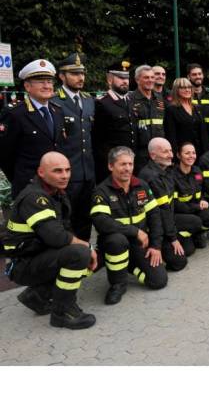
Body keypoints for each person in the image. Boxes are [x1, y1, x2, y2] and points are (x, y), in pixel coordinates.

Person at [3, 152, 96, 329]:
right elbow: (57, 237)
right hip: (23, 264)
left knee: (88, 256)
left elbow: (65, 230)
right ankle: (63, 313)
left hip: (37, 255)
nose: (65, 175)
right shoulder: (34, 198)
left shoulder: (56, 192)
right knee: (79, 254)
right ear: (41, 172)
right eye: (58, 171)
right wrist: (88, 246)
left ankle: (37, 296)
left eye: (67, 170)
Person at [90, 146, 168, 306]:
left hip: (138, 244)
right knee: (117, 240)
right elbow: (101, 221)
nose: (127, 169)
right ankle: (118, 284)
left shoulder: (142, 186)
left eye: (130, 164)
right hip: (115, 243)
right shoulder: (101, 191)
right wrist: (135, 231)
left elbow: (155, 216)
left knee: (158, 281)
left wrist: (156, 245)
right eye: (122, 164)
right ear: (111, 166)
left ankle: (130, 266)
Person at [0, 59, 66, 198]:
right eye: (41, 82)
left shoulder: (58, 112)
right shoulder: (15, 114)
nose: (47, 86)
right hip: (29, 188)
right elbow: (5, 155)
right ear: (27, 86)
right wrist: (22, 179)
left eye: (49, 82)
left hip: (56, 187)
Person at [47, 53, 96, 242]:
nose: (81, 78)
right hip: (67, 174)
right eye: (74, 73)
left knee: (85, 218)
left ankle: (83, 254)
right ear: (62, 76)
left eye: (82, 73)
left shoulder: (89, 100)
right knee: (66, 218)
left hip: (88, 173)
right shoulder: (54, 101)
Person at [138, 138, 190, 270]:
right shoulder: (152, 177)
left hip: (166, 222)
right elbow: (163, 210)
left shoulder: (165, 169)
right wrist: (172, 238)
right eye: (165, 152)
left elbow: (170, 205)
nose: (171, 155)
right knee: (179, 262)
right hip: (154, 228)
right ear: (153, 155)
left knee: (195, 224)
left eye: (171, 150)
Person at [93, 61, 138, 182]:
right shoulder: (102, 103)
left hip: (129, 162)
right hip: (112, 166)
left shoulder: (130, 101)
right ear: (109, 80)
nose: (124, 81)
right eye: (120, 78)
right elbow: (98, 140)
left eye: (126, 78)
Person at [171, 142, 209, 250]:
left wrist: (202, 200)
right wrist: (197, 207)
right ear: (179, 155)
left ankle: (197, 233)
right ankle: (185, 235)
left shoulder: (197, 171)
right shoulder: (172, 175)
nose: (191, 156)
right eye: (187, 153)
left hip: (194, 208)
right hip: (180, 212)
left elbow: (200, 191)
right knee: (189, 250)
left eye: (193, 153)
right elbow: (175, 203)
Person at [129, 64, 166, 171]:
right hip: (140, 153)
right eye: (146, 77)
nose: (150, 80)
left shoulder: (160, 99)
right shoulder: (130, 99)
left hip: (159, 153)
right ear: (137, 80)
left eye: (152, 77)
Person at [164, 77, 209, 157]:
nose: (187, 90)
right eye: (183, 88)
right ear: (176, 90)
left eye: (189, 87)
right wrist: (175, 154)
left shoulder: (197, 108)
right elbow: (171, 135)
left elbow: (203, 133)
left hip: (200, 152)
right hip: (183, 154)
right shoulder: (171, 109)